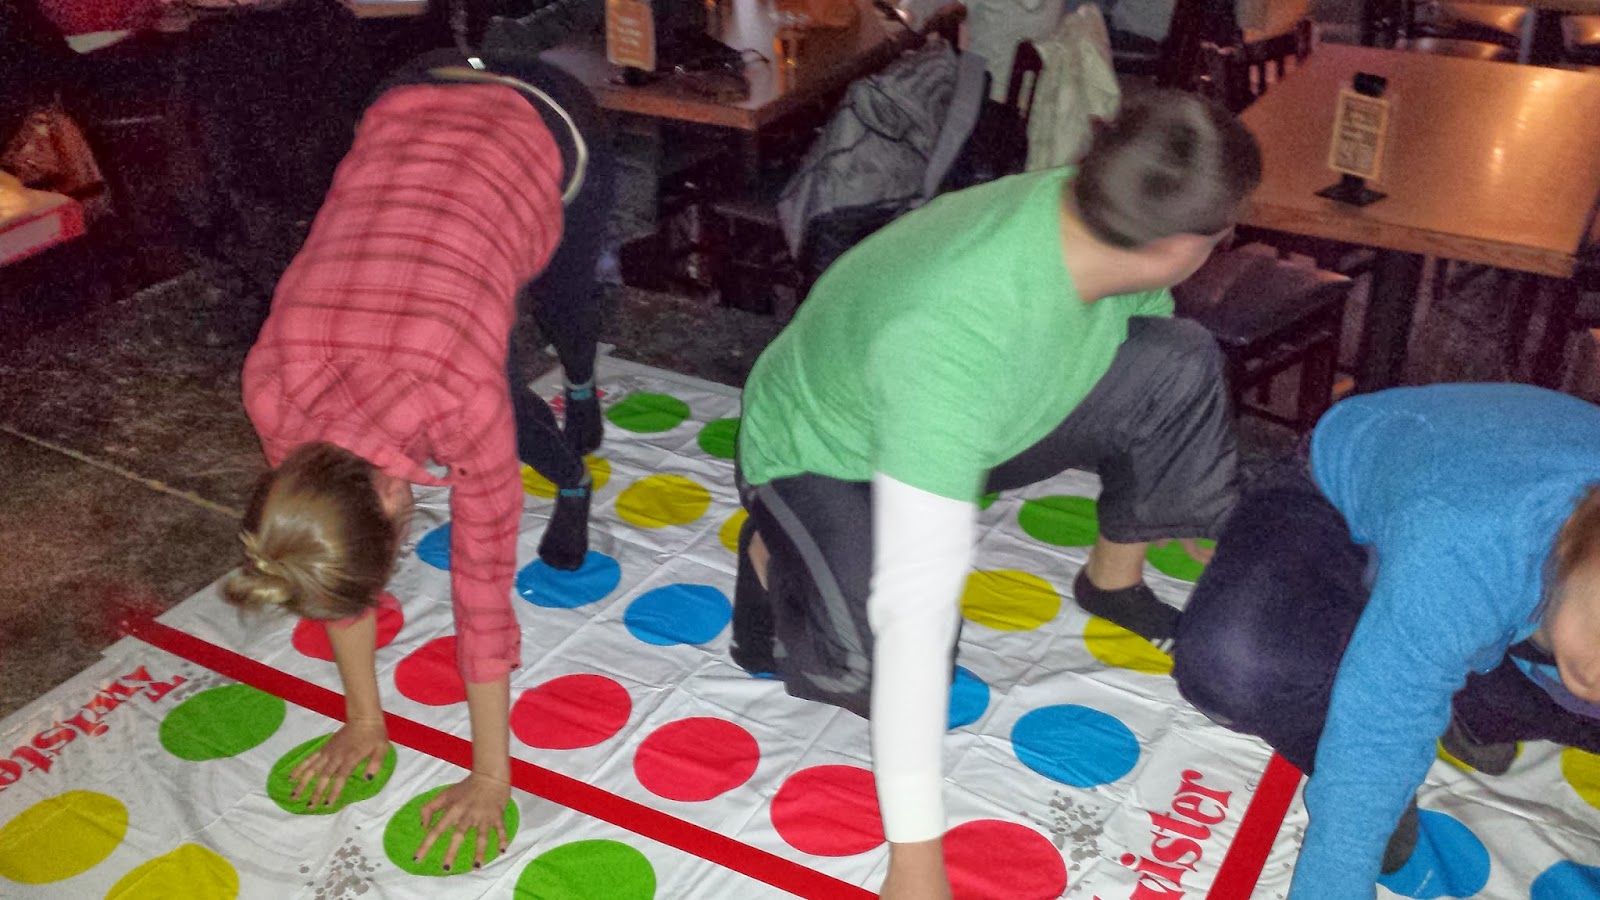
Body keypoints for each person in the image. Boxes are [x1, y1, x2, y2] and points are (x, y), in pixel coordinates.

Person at [731, 89, 1260, 899]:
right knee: (878, 668)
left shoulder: (1093, 209)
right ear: (1182, 244)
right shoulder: (952, 341)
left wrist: (1182, 479)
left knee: (1180, 357)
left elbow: (1149, 326)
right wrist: (916, 863)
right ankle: (772, 549)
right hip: (826, 451)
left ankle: (1111, 580)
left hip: (977, 413)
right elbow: (916, 610)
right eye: (1226, 234)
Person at [224, 47, 614, 870]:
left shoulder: (460, 396)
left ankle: (583, 382)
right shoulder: (272, 384)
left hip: (541, 114)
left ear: (395, 501)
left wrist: (493, 777)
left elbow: (483, 592)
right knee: (491, 305)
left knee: (567, 310)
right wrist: (364, 721)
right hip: (406, 89)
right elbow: (326, 554)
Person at [1173, 383, 1600, 900]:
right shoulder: (1473, 546)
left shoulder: (1559, 598)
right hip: (1339, 498)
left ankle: (1474, 698)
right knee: (1236, 660)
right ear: (1573, 549)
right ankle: (1447, 683)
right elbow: (1376, 731)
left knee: (1469, 651)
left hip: (1481, 575)